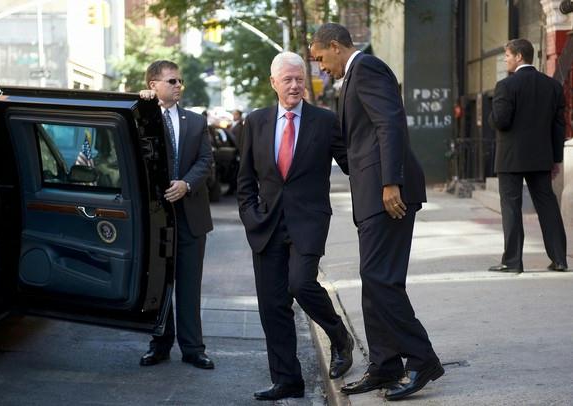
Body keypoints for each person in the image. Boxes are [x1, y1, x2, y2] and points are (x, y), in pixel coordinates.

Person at [310, 23, 443, 401]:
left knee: (381, 279)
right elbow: (359, 139)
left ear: (335, 46)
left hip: (388, 195)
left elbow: (390, 124)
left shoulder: (367, 68)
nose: (320, 67)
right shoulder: (352, 77)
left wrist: (391, 182)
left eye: (320, 58)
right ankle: (385, 364)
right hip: (371, 195)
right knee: (373, 280)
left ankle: (422, 359)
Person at [237, 51, 354, 401]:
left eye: (299, 79)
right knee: (272, 305)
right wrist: (251, 216)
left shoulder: (325, 121)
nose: (294, 85)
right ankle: (287, 379)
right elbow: (245, 179)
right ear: (273, 83)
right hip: (267, 224)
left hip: (309, 221)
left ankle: (340, 336)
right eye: (287, 79)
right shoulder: (255, 122)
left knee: (301, 283)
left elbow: (352, 163)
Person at [138, 60, 215, 369]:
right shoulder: (141, 117)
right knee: (157, 286)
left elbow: (206, 160)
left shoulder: (195, 121)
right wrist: (140, 101)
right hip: (155, 216)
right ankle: (159, 344)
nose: (179, 85)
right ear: (153, 85)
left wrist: (186, 184)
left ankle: (193, 349)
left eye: (180, 80)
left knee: (189, 285)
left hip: (191, 215)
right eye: (172, 81)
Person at [488, 38, 568, 274]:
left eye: (507, 56)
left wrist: (492, 116)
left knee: (511, 207)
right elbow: (559, 127)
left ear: (519, 56)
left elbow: (501, 121)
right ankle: (560, 259)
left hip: (510, 158)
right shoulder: (552, 86)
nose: (505, 60)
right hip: (541, 157)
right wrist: (556, 159)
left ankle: (512, 262)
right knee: (547, 206)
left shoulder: (506, 86)